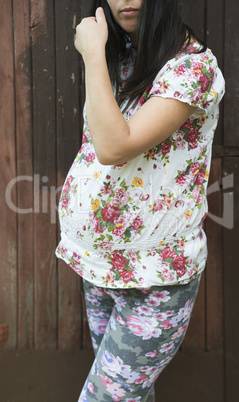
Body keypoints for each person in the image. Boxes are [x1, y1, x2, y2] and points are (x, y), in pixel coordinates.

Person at [55, 1, 225, 400]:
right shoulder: (125, 55)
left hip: (156, 280)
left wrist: (93, 55)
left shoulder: (192, 68)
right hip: (99, 265)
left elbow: (116, 146)